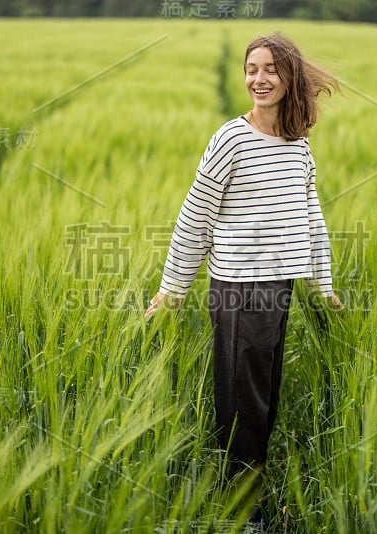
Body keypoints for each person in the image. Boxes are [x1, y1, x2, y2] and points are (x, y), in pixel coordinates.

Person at [145, 31, 343, 526]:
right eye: (251, 69)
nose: (259, 78)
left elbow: (311, 217)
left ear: (290, 76)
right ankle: (242, 509)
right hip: (239, 289)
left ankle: (249, 491)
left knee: (266, 395)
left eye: (270, 69)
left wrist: (322, 284)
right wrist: (172, 291)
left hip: (279, 288)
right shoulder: (231, 139)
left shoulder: (297, 145)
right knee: (242, 403)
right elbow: (195, 216)